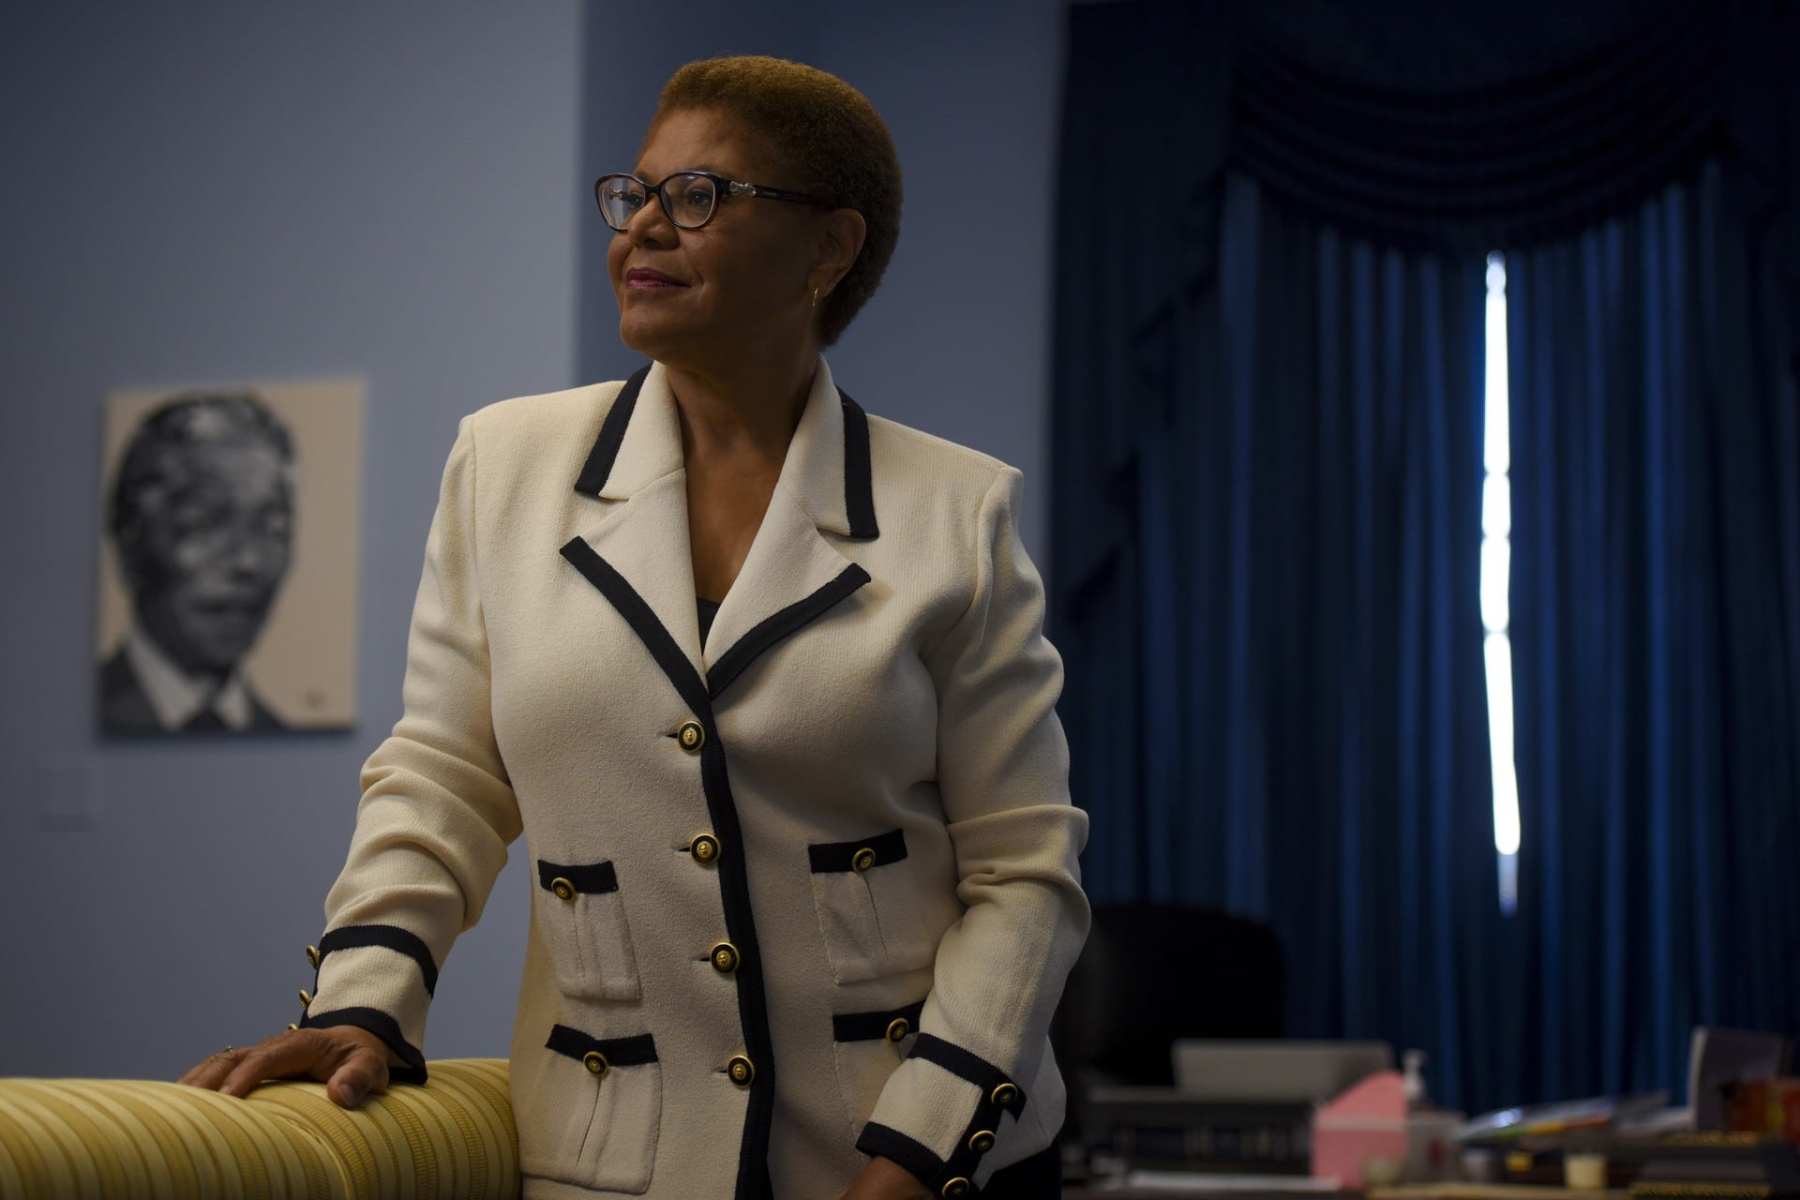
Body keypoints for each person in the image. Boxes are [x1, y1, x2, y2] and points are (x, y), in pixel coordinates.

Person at [179, 55, 1089, 1200]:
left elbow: (1026, 873)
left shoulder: (956, 515)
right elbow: (442, 778)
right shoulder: (502, 468)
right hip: (617, 1163)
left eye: (699, 196)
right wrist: (366, 998)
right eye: (635, 193)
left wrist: (914, 1151)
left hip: (912, 1164)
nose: (644, 228)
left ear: (829, 250)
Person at [99, 391, 294, 734]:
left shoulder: (273, 727)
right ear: (131, 539)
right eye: (207, 523)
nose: (248, 562)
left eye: (272, 527)